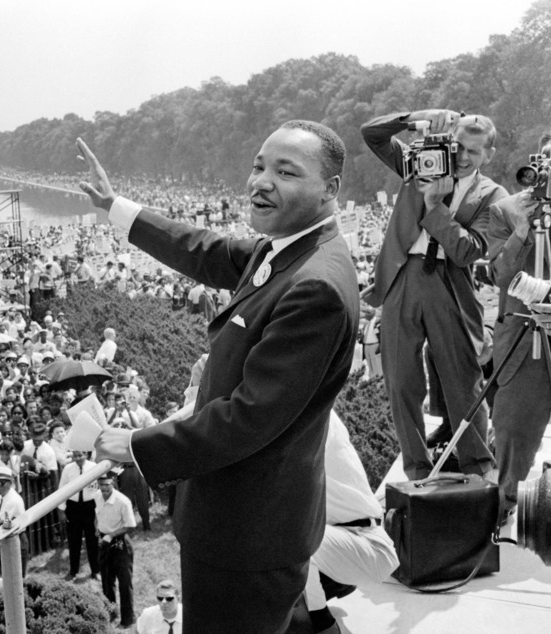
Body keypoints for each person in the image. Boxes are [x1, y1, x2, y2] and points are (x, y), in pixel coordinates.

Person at [79, 119, 358, 634]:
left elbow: (249, 418)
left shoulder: (314, 285)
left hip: (248, 535)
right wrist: (115, 206)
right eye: (258, 166)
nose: (262, 181)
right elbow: (203, 249)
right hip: (241, 521)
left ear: (330, 190)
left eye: (286, 171)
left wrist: (138, 444)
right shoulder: (286, 249)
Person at [361, 109, 505, 480]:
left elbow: (469, 251)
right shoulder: (420, 163)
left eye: (473, 151)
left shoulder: (493, 195)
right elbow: (372, 134)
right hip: (401, 277)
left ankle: (477, 466)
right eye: (457, 146)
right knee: (400, 381)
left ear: (488, 155)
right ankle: (416, 469)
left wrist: (434, 207)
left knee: (462, 381)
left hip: (450, 283)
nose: (461, 156)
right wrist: (416, 116)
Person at [486, 127, 551, 520]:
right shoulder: (506, 209)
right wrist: (523, 229)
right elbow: (501, 277)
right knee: (515, 429)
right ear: (539, 161)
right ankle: (503, 508)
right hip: (525, 338)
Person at [304, 411, 399, 634]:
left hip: (365, 543)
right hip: (345, 535)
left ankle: (322, 624)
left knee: (290, 537)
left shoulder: (307, 419)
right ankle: (328, 582)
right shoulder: (309, 404)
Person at [94, 471, 136, 628]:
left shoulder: (122, 501)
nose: (103, 489)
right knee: (106, 581)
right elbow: (97, 513)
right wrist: (97, 527)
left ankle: (128, 619)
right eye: (101, 485)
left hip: (120, 544)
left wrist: (111, 535)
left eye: (107, 485)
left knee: (124, 583)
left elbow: (130, 525)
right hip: (104, 542)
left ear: (114, 483)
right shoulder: (97, 496)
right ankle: (110, 614)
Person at [57, 450, 100, 581]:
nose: (78, 458)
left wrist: (98, 512)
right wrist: (62, 510)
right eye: (75, 456)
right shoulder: (68, 469)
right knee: (73, 540)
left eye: (80, 455)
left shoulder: (94, 468)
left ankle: (95, 570)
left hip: (90, 507)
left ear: (86, 455)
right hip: (73, 507)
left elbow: (98, 490)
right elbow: (62, 489)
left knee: (92, 540)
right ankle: (73, 570)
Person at [0, 466, 28, 574]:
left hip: (17, 540)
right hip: (3, 539)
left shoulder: (14, 500)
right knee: (6, 574)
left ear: (10, 483)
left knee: (17, 575)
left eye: (1, 483)